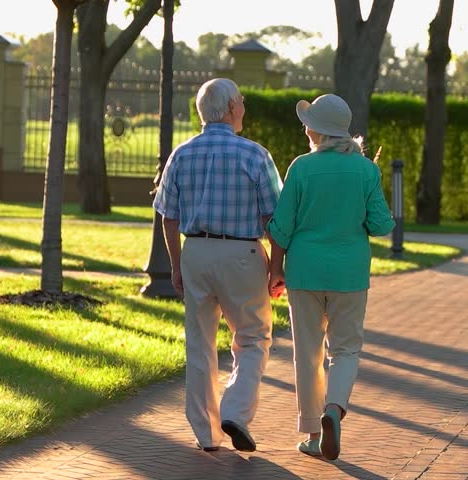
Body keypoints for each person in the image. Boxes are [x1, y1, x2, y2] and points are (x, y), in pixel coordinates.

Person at [153, 78, 282, 453]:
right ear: (229, 109)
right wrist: (276, 267)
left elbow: (168, 217)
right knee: (254, 337)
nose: (243, 107)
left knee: (200, 343)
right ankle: (236, 413)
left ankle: (206, 434)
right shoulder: (256, 155)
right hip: (242, 254)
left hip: (196, 251)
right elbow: (274, 218)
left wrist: (177, 265)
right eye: (241, 102)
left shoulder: (181, 154)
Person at [266, 94, 395, 460]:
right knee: (345, 349)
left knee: (307, 353)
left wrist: (275, 268)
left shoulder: (301, 168)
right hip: (349, 273)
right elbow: (382, 224)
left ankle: (311, 434)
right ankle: (334, 410)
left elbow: (282, 226)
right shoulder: (367, 170)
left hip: (304, 271)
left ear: (316, 130)